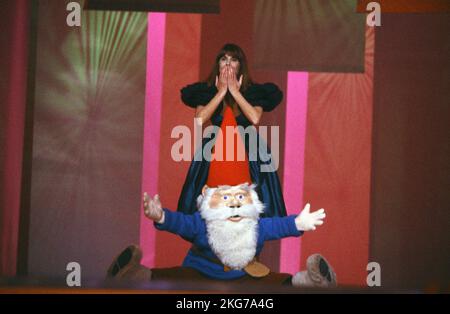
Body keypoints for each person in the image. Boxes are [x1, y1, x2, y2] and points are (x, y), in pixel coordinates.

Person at [178, 43, 286, 218]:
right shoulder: (207, 91)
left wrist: (235, 92)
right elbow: (199, 119)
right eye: (224, 59)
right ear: (218, 65)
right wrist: (221, 92)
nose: (228, 64)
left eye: (233, 60)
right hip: (216, 148)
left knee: (251, 204)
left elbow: (254, 118)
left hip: (248, 149)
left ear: (240, 65)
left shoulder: (253, 91)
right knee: (209, 204)